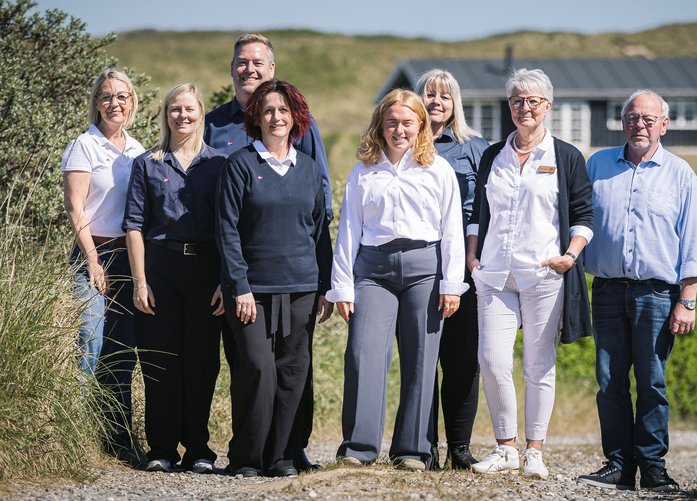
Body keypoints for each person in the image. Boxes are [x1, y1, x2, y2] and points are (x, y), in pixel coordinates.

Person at [204, 33, 330, 470]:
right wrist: (236, 285)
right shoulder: (240, 165)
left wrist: (325, 286)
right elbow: (226, 229)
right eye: (269, 111)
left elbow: (320, 230)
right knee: (257, 369)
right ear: (255, 118)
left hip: (300, 287)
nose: (276, 117)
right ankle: (247, 457)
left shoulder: (308, 169)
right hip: (251, 289)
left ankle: (282, 456)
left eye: (283, 111)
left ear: (295, 118)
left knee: (293, 372)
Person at [327, 89, 467, 472]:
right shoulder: (363, 170)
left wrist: (452, 284)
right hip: (374, 271)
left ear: (421, 125)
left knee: (421, 359)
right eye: (392, 122)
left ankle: (412, 451)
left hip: (426, 270)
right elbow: (349, 230)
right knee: (363, 354)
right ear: (380, 125)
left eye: (407, 122)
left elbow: (452, 229)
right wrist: (342, 286)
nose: (399, 130)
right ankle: (358, 448)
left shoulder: (437, 169)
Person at [577, 89, 697, 493]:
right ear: (622, 123)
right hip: (607, 291)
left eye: (649, 119)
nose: (640, 125)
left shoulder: (681, 174)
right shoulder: (597, 165)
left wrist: (687, 301)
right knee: (609, 381)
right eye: (633, 118)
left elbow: (694, 241)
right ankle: (618, 466)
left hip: (658, 295)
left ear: (663, 125)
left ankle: (653, 467)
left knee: (652, 382)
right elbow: (578, 219)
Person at [466, 68, 594, 479]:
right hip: (494, 274)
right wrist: (472, 255)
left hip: (543, 275)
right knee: (491, 360)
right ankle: (506, 448)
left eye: (533, 101)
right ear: (510, 106)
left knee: (539, 365)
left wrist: (569, 256)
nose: (525, 108)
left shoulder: (566, 156)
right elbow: (478, 212)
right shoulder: (493, 155)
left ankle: (534, 450)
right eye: (517, 100)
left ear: (547, 105)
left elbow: (584, 215)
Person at [123, 83, 227, 473]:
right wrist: (140, 282)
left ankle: (198, 448)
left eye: (189, 109)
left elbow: (229, 229)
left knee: (202, 362)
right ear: (165, 115)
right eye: (174, 109)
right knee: (158, 360)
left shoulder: (220, 165)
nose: (182, 116)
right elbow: (134, 225)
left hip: (206, 273)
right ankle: (162, 449)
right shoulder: (147, 163)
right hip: (159, 271)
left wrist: (226, 281)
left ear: (201, 113)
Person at [62, 68, 145, 467]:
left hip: (128, 258)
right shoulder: (84, 145)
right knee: (90, 342)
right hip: (92, 255)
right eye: (107, 96)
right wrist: (93, 260)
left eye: (122, 96)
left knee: (122, 350)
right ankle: (74, 437)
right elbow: (75, 208)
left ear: (132, 103)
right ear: (97, 102)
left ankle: (118, 437)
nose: (115, 103)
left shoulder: (137, 150)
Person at [413, 69, 488, 470]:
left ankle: (459, 448)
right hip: (418, 267)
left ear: (455, 102)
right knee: (422, 360)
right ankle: (423, 448)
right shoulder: (404, 145)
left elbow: (491, 209)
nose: (436, 102)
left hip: (466, 269)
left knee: (462, 362)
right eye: (429, 94)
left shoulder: (475, 148)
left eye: (444, 95)